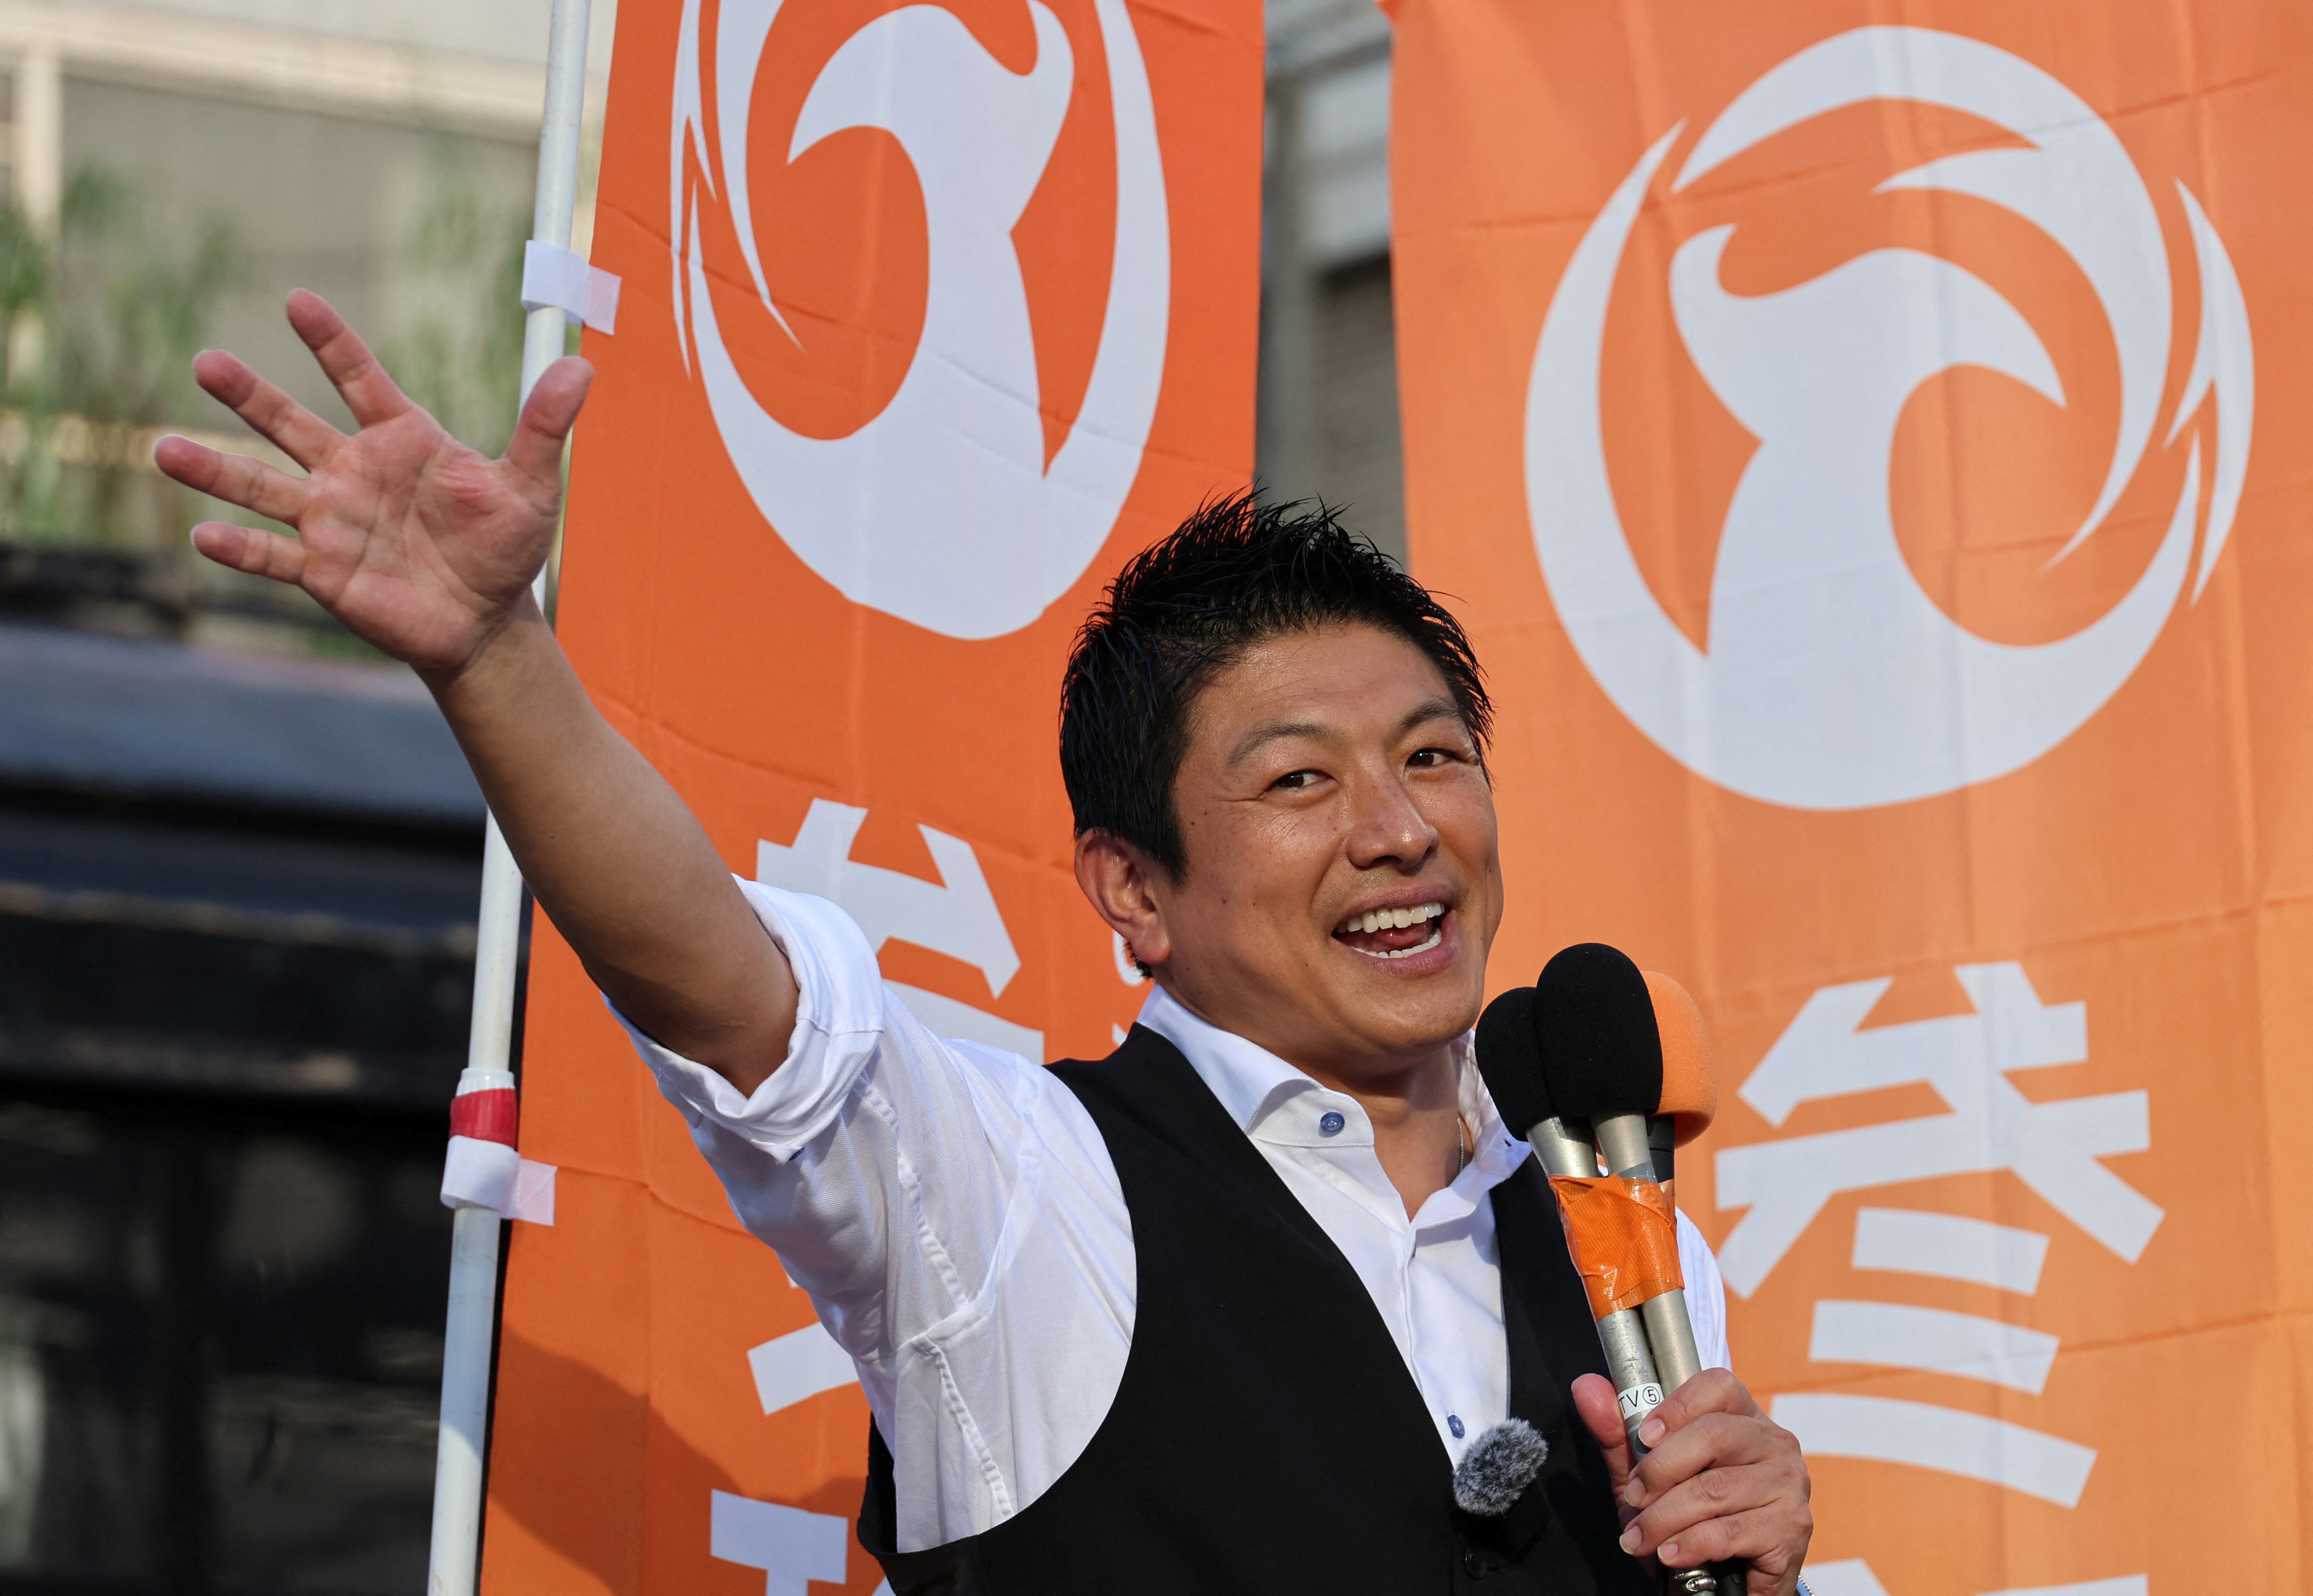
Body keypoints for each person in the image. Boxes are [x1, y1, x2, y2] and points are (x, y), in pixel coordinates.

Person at [154, 292, 1812, 1593]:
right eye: (1300, 780)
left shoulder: (1626, 1240)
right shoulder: (1027, 1193)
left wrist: (1756, 1562)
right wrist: (494, 660)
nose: (1399, 828)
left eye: (1434, 755)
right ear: (1132, 889)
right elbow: (738, 1001)